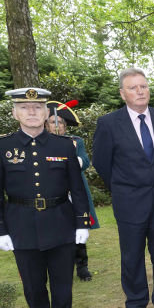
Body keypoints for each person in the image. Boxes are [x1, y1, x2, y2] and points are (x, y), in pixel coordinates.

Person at [0, 87, 90, 308]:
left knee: (63, 285)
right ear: (14, 112)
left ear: (46, 112)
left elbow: (77, 189)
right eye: (24, 107)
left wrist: (82, 222)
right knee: (33, 286)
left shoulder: (65, 145)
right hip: (21, 226)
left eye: (37, 108)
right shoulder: (1, 146)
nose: (31, 112)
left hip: (61, 223)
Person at [93, 68, 154, 308]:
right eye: (133, 88)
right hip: (129, 203)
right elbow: (102, 164)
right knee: (132, 257)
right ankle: (136, 305)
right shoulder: (108, 124)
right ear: (122, 93)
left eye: (143, 86)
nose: (140, 91)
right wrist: (125, 186)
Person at [46, 101, 98, 281]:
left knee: (79, 228)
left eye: (60, 122)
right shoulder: (41, 143)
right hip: (51, 193)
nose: (57, 126)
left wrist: (73, 154)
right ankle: (59, 268)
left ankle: (82, 267)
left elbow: (85, 163)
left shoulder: (76, 142)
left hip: (74, 192)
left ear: (66, 126)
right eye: (53, 122)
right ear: (46, 125)